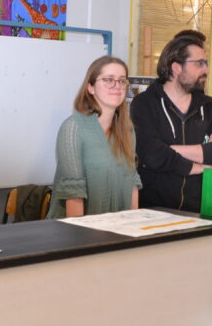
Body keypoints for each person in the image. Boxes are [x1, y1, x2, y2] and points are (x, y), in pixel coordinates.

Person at [131, 29, 212, 212]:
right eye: (199, 63)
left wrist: (168, 150)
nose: (206, 70)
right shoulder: (144, 104)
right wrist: (199, 166)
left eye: (206, 63)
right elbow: (151, 154)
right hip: (153, 212)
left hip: (199, 212)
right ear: (176, 68)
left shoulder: (208, 107)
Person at [46, 56, 141, 218]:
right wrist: (83, 232)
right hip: (76, 228)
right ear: (90, 87)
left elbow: (132, 183)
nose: (117, 86)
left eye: (122, 80)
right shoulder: (73, 127)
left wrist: (134, 223)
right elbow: (74, 193)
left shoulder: (127, 129)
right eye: (108, 80)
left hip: (118, 226)